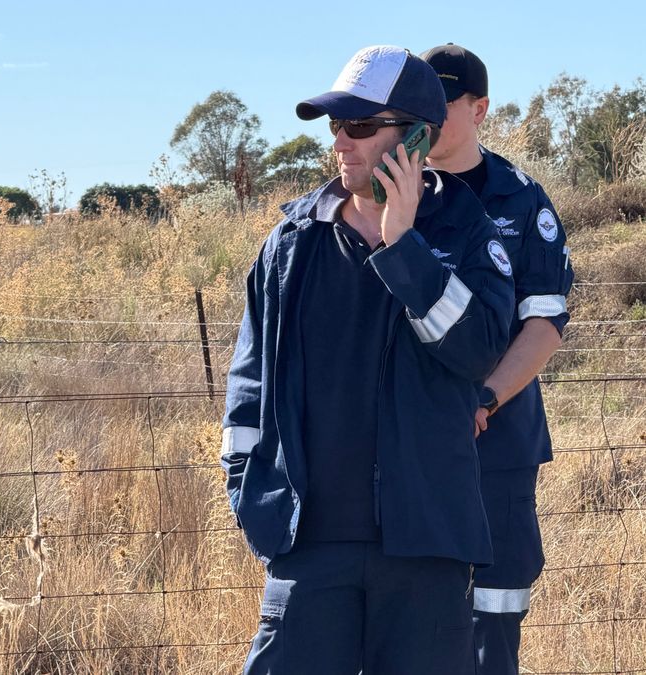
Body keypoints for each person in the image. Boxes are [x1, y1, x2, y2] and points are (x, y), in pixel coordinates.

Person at [220, 45, 516, 675]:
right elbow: (251, 385)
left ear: (415, 135)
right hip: (309, 548)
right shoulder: (290, 246)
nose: (340, 144)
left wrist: (405, 248)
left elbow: (477, 351)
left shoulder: (467, 233)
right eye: (336, 127)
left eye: (358, 126)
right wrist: (251, 494)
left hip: (427, 550)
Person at [419, 43, 574, 675]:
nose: (428, 116)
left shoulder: (519, 201)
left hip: (497, 442)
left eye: (444, 101)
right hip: (411, 447)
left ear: (480, 109)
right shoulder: (393, 194)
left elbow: (543, 322)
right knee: (417, 619)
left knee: (493, 618)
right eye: (419, 101)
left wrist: (486, 399)